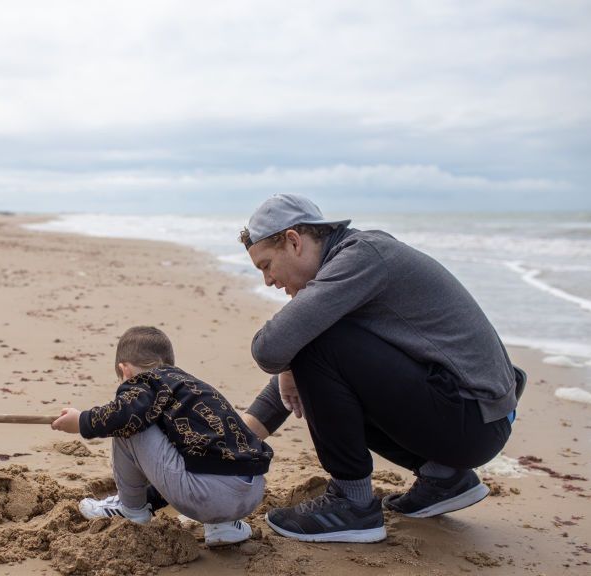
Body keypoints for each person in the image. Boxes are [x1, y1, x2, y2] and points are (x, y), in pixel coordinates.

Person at [238, 194, 524, 544]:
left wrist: (288, 361)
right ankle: (444, 477)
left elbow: (271, 348)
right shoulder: (351, 262)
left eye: (266, 265)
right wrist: (237, 443)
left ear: (293, 241)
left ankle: (352, 502)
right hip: (477, 419)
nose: (268, 280)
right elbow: (307, 366)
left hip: (472, 419)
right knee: (315, 344)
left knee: (314, 343)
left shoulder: (360, 258)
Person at [51, 325, 273, 546]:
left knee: (128, 425)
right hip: (252, 491)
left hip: (206, 496)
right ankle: (223, 526)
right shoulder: (192, 386)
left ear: (125, 370)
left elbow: (124, 414)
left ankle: (131, 509)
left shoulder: (147, 382)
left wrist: (81, 421)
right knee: (196, 443)